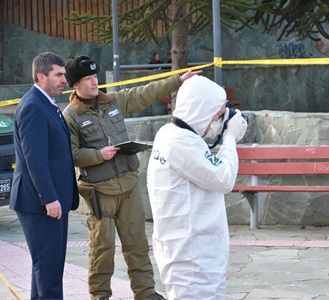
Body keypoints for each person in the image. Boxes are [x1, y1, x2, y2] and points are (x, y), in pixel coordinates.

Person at [62, 55, 201, 300]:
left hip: (128, 185)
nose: (95, 82)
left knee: (137, 243)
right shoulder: (70, 116)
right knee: (101, 248)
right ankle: (100, 295)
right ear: (75, 84)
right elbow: (72, 155)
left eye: (95, 76)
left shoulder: (113, 101)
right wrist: (98, 154)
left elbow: (145, 93)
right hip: (99, 192)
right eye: (88, 78)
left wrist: (177, 80)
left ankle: (146, 293)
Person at [147, 75, 247, 299]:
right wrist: (229, 138)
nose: (219, 120)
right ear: (201, 109)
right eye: (219, 114)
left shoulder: (170, 134)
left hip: (189, 251)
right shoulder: (181, 142)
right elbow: (224, 178)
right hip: (192, 256)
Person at [9, 52, 80, 299]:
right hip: (40, 203)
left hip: (52, 202)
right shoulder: (33, 107)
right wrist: (49, 198)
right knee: (49, 276)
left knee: (47, 272)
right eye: (58, 74)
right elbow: (34, 160)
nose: (64, 79)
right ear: (41, 76)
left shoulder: (46, 103)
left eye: (64, 74)